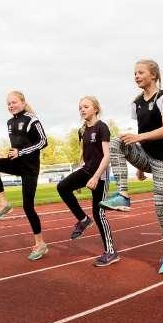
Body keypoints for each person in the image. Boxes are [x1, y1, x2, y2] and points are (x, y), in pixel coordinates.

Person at [99, 59, 163, 274]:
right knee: (117, 141)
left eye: (140, 72)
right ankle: (123, 194)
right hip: (145, 155)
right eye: (134, 73)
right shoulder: (136, 102)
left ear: (153, 75)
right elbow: (139, 134)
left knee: (160, 209)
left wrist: (137, 138)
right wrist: (140, 166)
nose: (136, 76)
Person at [57, 96, 118, 266]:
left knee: (99, 213)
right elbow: (84, 155)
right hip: (86, 171)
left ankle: (111, 252)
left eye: (86, 106)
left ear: (95, 109)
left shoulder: (102, 127)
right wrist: (77, 177)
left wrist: (96, 176)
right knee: (62, 187)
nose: (82, 110)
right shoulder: (82, 130)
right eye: (80, 108)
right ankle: (83, 219)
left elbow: (107, 156)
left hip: (100, 175)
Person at [0, 91, 48, 260]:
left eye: (14, 102)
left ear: (22, 102)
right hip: (16, 163)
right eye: (8, 103)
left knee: (28, 207)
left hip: (29, 168)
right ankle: (4, 203)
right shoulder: (9, 122)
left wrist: (21, 152)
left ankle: (40, 244)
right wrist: (14, 153)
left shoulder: (31, 119)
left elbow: (43, 141)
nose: (11, 105)